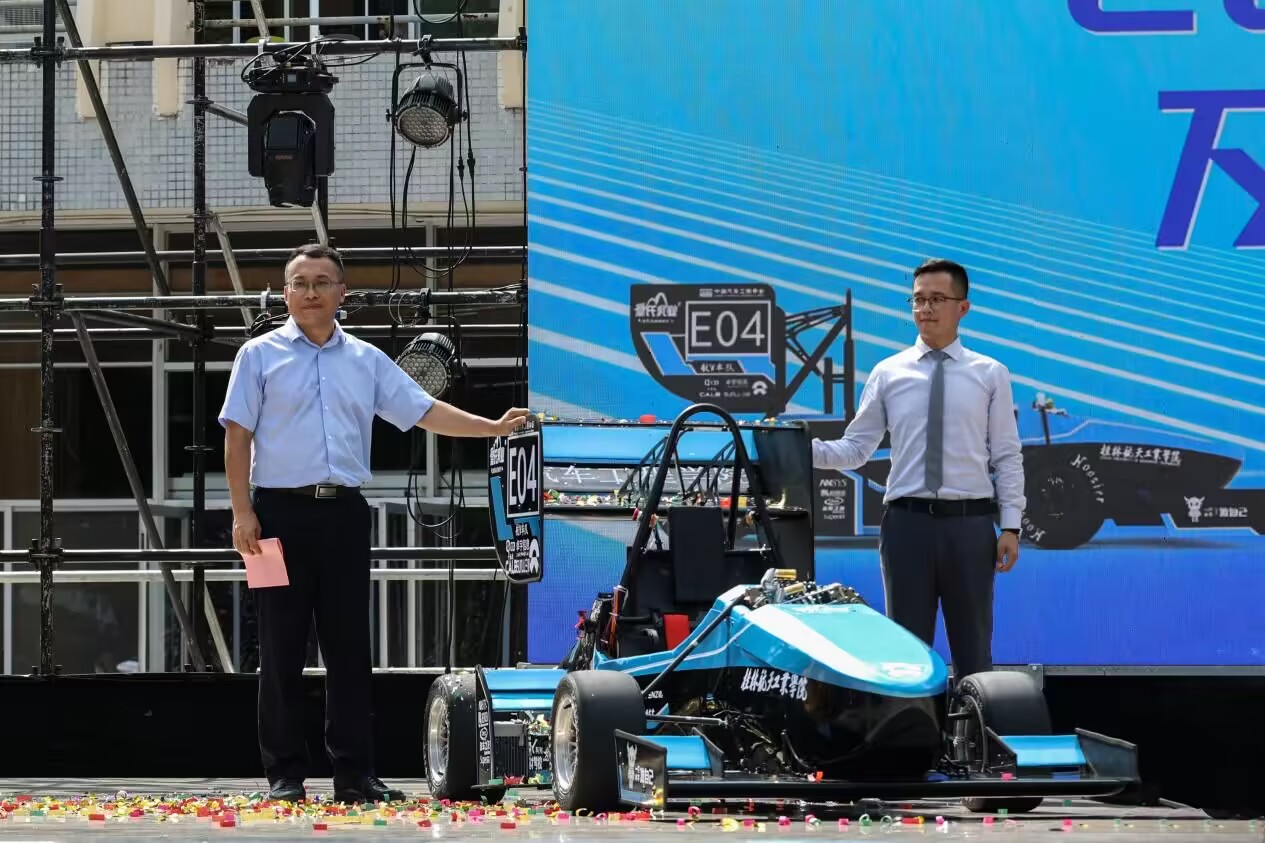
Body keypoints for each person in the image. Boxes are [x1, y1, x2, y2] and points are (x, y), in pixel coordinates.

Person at [218, 243, 530, 804]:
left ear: (342, 293)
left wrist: (491, 428)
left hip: (344, 515)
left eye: (321, 282)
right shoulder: (257, 355)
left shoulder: (365, 359)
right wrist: (243, 512)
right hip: (277, 516)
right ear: (284, 294)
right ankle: (285, 776)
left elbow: (423, 410)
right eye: (299, 283)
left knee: (349, 648)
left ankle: (355, 775)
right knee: (281, 648)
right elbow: (237, 435)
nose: (310, 292)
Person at [811, 258, 1024, 680]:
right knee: (906, 654)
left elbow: (1006, 454)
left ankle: (973, 723)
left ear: (963, 307)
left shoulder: (990, 374)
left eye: (937, 299)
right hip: (906, 526)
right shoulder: (888, 372)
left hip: (969, 527)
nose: (925, 309)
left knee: (974, 651)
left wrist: (1011, 526)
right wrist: (798, 451)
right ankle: (913, 725)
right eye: (918, 300)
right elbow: (856, 448)